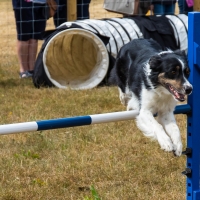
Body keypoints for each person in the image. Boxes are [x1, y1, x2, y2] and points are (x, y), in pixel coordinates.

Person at [12, 0, 46, 78]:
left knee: (35, 37)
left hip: (41, 3)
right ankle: (23, 70)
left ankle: (32, 69)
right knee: (24, 37)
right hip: (24, 2)